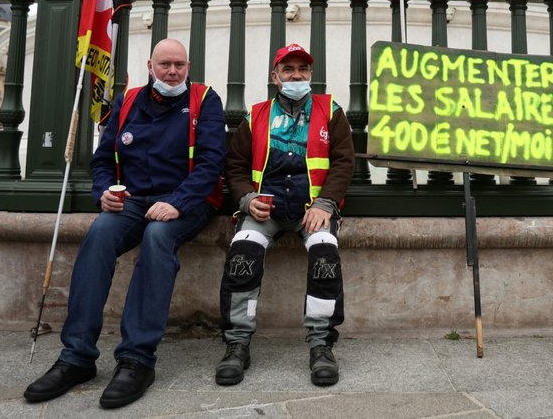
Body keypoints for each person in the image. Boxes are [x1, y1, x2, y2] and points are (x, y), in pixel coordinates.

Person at [24, 38, 226, 409]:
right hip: (133, 199)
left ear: (189, 66)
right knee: (99, 233)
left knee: (157, 237)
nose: (172, 71)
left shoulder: (205, 100)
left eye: (179, 65)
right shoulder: (128, 101)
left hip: (187, 200)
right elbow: (102, 161)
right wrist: (103, 192)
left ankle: (137, 359)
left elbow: (212, 164)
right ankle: (76, 357)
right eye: (165, 64)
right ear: (151, 65)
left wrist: (176, 203)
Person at [215, 43, 354, 387]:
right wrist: (246, 199)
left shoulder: (330, 110)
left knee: (325, 255)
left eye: (302, 70)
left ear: (310, 75)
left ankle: (321, 345)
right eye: (288, 70)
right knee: (242, 256)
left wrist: (326, 204)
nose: (296, 75)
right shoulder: (257, 114)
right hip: (267, 209)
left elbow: (343, 163)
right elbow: (234, 166)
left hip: (312, 209)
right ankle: (237, 343)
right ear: (275, 77)